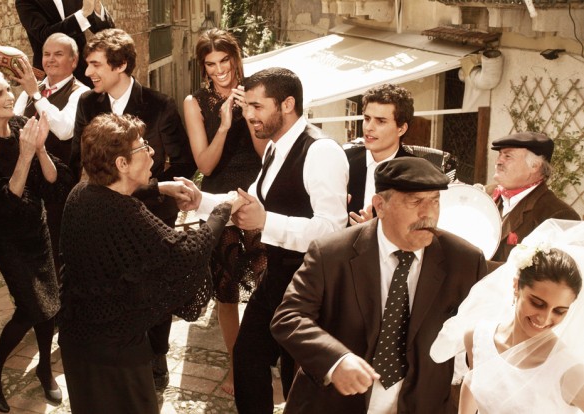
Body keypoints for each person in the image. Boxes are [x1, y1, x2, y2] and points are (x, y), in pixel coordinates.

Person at [58, 112, 246, 413]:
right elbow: (186, 253)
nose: (152, 152)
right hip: (115, 352)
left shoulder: (81, 194)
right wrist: (223, 210)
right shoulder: (125, 213)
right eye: (144, 146)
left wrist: (160, 187)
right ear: (122, 164)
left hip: (76, 341)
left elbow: (112, 192)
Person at [271, 157, 488, 413]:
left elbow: (485, 338)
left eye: (435, 201)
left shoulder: (465, 261)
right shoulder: (331, 253)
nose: (428, 214)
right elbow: (289, 317)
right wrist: (336, 361)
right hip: (335, 405)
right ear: (380, 205)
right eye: (415, 202)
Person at [195, 67, 348, 413]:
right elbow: (247, 202)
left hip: (311, 286)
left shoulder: (321, 151)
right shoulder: (274, 148)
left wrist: (266, 222)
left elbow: (332, 231)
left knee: (297, 380)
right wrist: (198, 200)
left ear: (287, 104)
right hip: (276, 277)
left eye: (257, 106)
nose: (248, 115)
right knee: (247, 357)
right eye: (246, 106)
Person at [70, 27, 197, 389]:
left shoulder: (159, 104)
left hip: (152, 215)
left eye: (95, 64)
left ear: (121, 64)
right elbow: (80, 161)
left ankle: (157, 355)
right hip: (105, 217)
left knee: (154, 290)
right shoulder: (87, 104)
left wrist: (153, 189)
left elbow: (184, 164)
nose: (88, 72)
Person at [0, 70, 74, 412]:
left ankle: (44, 369)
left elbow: (55, 183)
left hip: (36, 227)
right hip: (6, 236)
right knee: (32, 306)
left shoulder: (22, 125)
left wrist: (38, 150)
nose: (10, 95)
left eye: (8, 89)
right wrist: (25, 155)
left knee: (48, 299)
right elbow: (6, 205)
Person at [182, 28, 267, 395]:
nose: (219, 70)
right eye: (210, 64)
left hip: (258, 195)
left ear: (236, 58)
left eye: (224, 61)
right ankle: (237, 368)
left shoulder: (258, 90)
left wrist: (248, 115)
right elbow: (205, 165)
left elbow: (266, 155)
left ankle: (267, 360)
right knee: (227, 291)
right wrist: (225, 124)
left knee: (267, 285)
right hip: (219, 201)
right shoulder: (194, 102)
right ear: (203, 67)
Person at [430, 219, 584, 413]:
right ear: (516, 286)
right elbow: (473, 381)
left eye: (559, 311)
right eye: (537, 303)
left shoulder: (569, 371)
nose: (545, 319)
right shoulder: (477, 337)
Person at [13, 32, 89, 274]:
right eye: (46, 54)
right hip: (29, 183)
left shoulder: (81, 93)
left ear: (74, 61)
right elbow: (15, 125)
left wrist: (36, 95)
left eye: (58, 54)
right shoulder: (29, 91)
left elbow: (65, 130)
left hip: (60, 186)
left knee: (59, 251)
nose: (50, 59)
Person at [488, 131, 579, 264]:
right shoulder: (484, 194)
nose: (498, 161)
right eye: (500, 154)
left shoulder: (558, 215)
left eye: (507, 156)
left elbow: (553, 273)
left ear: (535, 166)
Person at [345, 84, 415, 225]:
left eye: (381, 121)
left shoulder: (416, 173)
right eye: (367, 118)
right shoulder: (343, 160)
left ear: (401, 129)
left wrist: (376, 229)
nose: (369, 127)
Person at [15, 0, 114, 88]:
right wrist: (83, 14)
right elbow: (45, 35)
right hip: (50, 75)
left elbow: (106, 32)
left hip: (83, 72)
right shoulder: (25, 1)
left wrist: (97, 8)